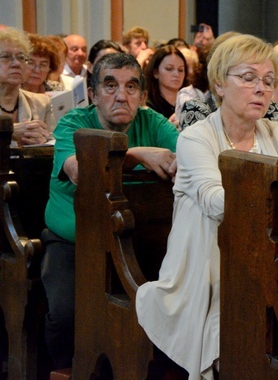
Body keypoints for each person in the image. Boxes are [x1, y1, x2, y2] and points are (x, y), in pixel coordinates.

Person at [136, 34, 278, 379]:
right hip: (208, 268)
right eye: (248, 78)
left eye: (269, 81)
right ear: (219, 85)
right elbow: (219, 204)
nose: (261, 88)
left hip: (272, 260)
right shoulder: (196, 137)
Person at [40, 52, 179, 369]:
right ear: (92, 93)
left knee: (178, 303)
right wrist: (137, 154)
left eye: (131, 87)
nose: (121, 95)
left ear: (142, 96)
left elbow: (182, 154)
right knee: (64, 313)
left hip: (137, 240)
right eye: (110, 85)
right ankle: (66, 371)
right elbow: (79, 169)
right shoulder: (73, 123)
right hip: (74, 241)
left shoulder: (152, 122)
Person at [0, 27, 55, 145]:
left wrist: (43, 144)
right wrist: (10, 132)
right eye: (6, 57)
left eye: (21, 57)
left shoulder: (42, 103)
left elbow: (55, 147)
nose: (16, 64)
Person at [144, 45, 188, 126]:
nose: (176, 74)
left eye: (181, 70)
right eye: (169, 68)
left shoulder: (189, 102)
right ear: (155, 73)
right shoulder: (147, 107)